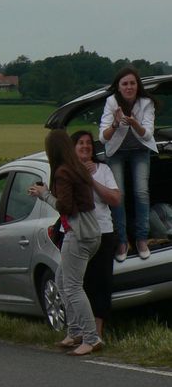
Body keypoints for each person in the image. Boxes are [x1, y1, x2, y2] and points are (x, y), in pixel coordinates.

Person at [29, 130, 102, 356]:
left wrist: (44, 194)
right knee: (61, 279)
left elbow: (66, 207)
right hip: (92, 232)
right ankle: (75, 331)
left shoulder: (62, 172)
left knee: (72, 286)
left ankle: (91, 338)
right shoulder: (78, 168)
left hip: (77, 235)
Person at [99, 66, 157, 261]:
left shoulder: (146, 103)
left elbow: (147, 134)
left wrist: (134, 123)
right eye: (125, 84)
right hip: (116, 152)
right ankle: (122, 241)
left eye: (132, 83)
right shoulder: (111, 102)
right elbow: (102, 138)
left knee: (141, 192)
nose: (129, 87)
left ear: (137, 85)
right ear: (119, 87)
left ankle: (142, 239)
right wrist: (115, 124)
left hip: (140, 150)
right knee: (119, 195)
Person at [73, 130, 121, 341]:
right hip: (77, 234)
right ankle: (81, 331)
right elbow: (64, 200)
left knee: (101, 283)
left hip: (103, 232)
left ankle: (98, 333)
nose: (85, 147)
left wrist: (92, 180)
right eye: (80, 143)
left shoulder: (103, 170)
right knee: (80, 283)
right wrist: (81, 175)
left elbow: (115, 199)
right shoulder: (67, 171)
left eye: (88, 144)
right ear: (72, 148)